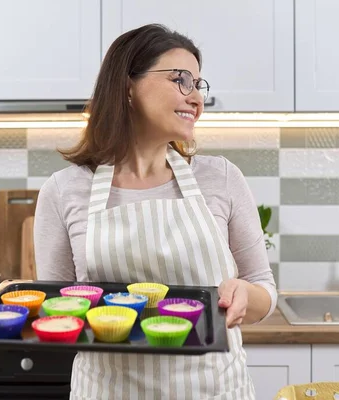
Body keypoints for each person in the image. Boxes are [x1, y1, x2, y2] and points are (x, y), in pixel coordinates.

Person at [34, 23, 277, 400]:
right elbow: (59, 308)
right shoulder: (64, 191)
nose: (196, 97)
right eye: (181, 80)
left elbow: (264, 290)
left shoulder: (222, 178)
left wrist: (245, 293)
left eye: (198, 84)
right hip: (109, 391)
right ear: (127, 86)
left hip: (213, 391)